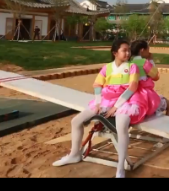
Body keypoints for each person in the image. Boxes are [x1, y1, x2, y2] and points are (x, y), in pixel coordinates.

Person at [52, 40, 150, 178]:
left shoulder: (132, 66)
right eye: (124, 50)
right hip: (106, 100)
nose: (128, 53)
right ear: (115, 53)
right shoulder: (107, 68)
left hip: (126, 100)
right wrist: (98, 103)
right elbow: (97, 84)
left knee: (121, 126)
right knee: (76, 121)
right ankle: (74, 154)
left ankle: (120, 167)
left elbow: (132, 87)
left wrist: (116, 107)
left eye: (129, 50)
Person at [130, 40, 169, 117]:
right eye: (148, 49)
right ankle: (168, 123)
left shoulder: (128, 62)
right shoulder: (144, 62)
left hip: (131, 95)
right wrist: (150, 60)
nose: (149, 52)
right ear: (142, 50)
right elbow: (156, 76)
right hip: (145, 96)